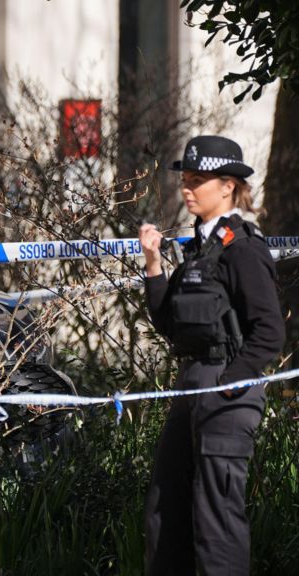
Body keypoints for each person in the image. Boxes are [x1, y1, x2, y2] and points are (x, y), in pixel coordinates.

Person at [139, 135, 285, 575]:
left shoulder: (243, 248)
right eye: (185, 179)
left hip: (226, 388)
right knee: (164, 511)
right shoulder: (200, 249)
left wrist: (228, 385)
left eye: (197, 180)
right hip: (191, 383)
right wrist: (153, 266)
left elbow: (269, 332)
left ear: (227, 186)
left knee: (216, 518)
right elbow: (168, 323)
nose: (187, 189)